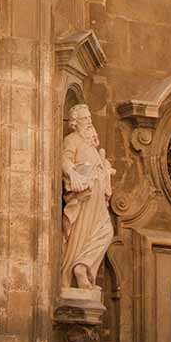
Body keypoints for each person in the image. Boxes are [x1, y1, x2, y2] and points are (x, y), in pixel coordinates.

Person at [60, 103, 115, 292]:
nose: (89, 122)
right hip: (84, 198)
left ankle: (82, 266)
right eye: (85, 119)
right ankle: (77, 270)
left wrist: (105, 171)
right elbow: (65, 160)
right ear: (75, 123)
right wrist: (73, 174)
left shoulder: (92, 145)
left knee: (106, 231)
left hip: (98, 200)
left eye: (90, 118)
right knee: (80, 236)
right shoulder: (72, 139)